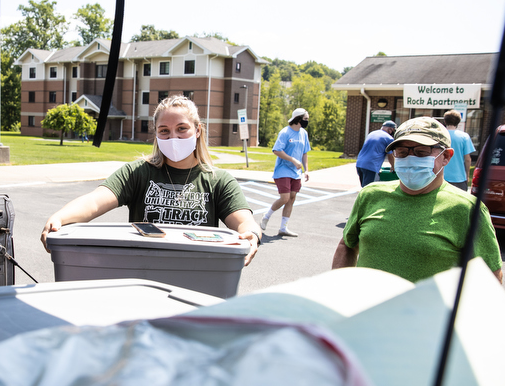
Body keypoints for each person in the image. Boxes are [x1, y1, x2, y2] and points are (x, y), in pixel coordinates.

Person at [41, 95, 261, 265]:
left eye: (182, 128)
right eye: (164, 131)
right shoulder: (139, 173)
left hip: (198, 271)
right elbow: (95, 201)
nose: (173, 137)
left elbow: (244, 221)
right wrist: (60, 217)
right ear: (156, 133)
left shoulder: (218, 180)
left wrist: (252, 234)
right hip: (143, 274)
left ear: (197, 130)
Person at [331, 117, 502, 284]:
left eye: (421, 152)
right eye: (402, 152)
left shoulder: (467, 209)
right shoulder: (370, 194)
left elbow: (491, 276)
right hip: (366, 311)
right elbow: (348, 244)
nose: (410, 159)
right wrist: (339, 294)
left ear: (446, 156)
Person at [260, 108, 311, 237]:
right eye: (305, 119)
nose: (307, 122)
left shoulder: (303, 133)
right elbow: (276, 150)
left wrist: (307, 170)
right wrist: (292, 159)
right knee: (285, 197)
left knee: (292, 198)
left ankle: (283, 228)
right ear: (298, 119)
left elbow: (305, 152)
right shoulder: (285, 132)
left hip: (296, 172)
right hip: (283, 170)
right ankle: (266, 216)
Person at [355, 120, 396, 187]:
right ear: (390, 129)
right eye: (393, 131)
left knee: (364, 188)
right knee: (370, 189)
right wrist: (393, 166)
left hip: (360, 164)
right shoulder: (389, 138)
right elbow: (390, 156)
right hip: (371, 166)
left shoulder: (372, 134)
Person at [442, 109, 475, 191]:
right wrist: (467, 174)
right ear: (458, 122)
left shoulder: (440, 136)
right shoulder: (464, 136)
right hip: (459, 177)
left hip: (441, 176)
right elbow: (467, 159)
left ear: (445, 121)